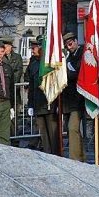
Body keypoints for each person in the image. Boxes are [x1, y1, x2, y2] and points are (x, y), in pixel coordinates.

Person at [25, 36, 59, 155]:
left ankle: (56, 155)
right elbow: (31, 85)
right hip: (38, 103)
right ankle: (48, 153)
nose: (32, 50)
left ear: (41, 48)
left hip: (49, 103)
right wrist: (30, 104)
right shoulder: (33, 62)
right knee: (43, 133)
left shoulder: (49, 62)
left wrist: (58, 103)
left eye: (34, 48)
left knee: (53, 134)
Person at [61, 32, 86, 161]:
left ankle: (75, 158)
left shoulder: (81, 54)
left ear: (76, 41)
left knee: (73, 128)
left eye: (70, 43)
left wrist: (67, 71)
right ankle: (80, 157)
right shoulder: (69, 56)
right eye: (67, 45)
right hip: (69, 99)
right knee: (72, 130)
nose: (69, 47)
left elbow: (78, 73)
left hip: (78, 98)